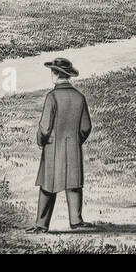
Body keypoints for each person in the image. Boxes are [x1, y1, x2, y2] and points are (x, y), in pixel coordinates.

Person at [28, 58, 93, 232]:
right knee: (74, 184)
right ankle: (76, 221)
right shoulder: (80, 97)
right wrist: (75, 141)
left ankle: (41, 225)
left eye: (52, 72)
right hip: (73, 148)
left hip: (52, 148)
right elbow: (86, 127)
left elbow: (44, 127)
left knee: (48, 186)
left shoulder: (52, 97)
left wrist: (41, 142)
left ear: (56, 74)